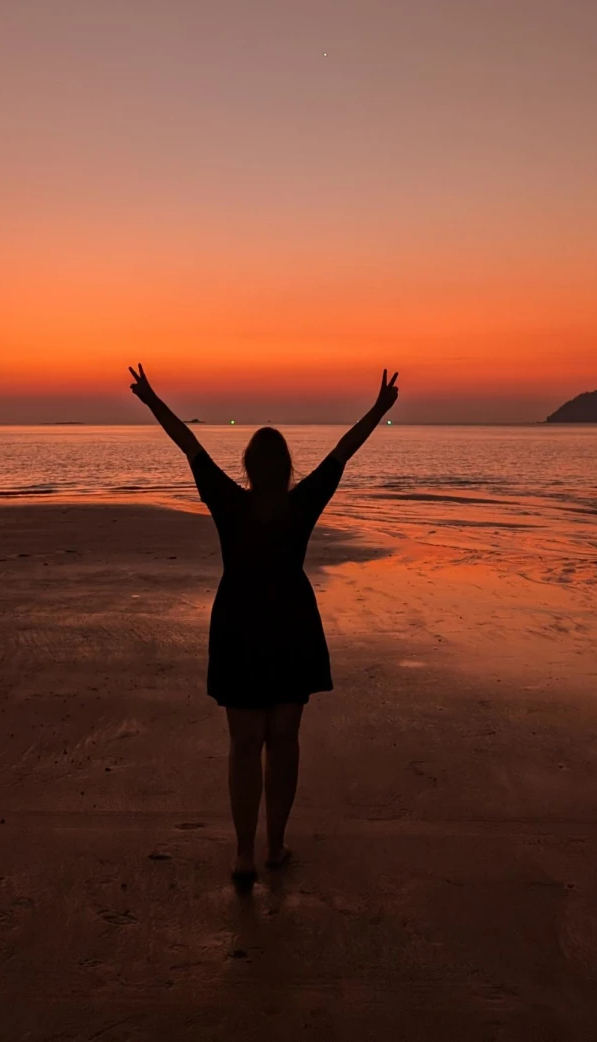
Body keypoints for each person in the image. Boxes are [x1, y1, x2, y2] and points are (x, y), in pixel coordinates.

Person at [127, 364, 400, 887]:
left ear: (249, 467)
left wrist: (151, 399)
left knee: (244, 745)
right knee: (284, 743)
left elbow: (189, 445)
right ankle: (275, 846)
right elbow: (343, 452)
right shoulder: (301, 505)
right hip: (291, 626)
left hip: (239, 623)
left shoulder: (230, 502)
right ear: (287, 469)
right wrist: (380, 410)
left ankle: (244, 854)